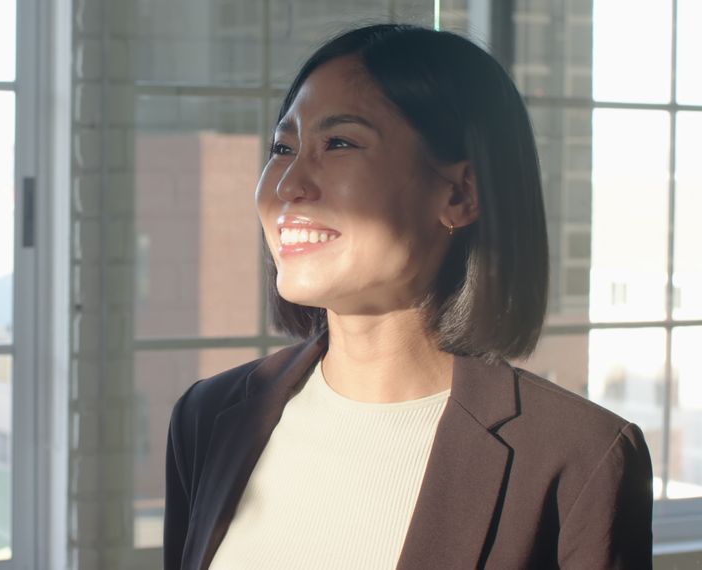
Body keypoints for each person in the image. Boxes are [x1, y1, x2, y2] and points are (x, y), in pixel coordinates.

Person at [163, 24, 653, 570]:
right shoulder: (208, 417)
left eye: (339, 143)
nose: (288, 185)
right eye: (283, 146)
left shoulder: (579, 457)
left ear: (460, 193)